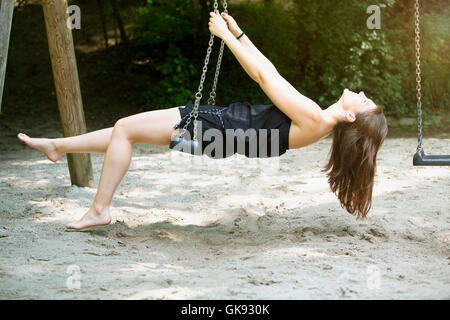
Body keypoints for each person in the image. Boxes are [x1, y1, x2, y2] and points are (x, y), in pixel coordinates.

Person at [17, 11, 388, 230]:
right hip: (220, 131)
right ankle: (59, 146)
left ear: (353, 114)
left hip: (216, 129)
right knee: (123, 130)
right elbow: (270, 70)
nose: (360, 92)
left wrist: (226, 37)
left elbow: (262, 77)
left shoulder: (313, 117)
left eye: (365, 100)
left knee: (126, 129)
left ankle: (100, 209)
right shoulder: (317, 120)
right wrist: (239, 32)